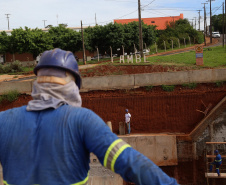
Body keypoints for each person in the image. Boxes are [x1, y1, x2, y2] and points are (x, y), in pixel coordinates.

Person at [0, 48, 178, 185]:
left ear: (37, 83)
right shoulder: (82, 120)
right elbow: (128, 161)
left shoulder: (4, 121)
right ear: (72, 86)